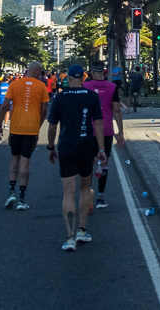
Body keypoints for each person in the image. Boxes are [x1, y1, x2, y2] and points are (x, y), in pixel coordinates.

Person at [47, 64, 106, 251]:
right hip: (86, 146)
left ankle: (70, 236)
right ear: (83, 77)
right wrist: (102, 148)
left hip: (66, 146)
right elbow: (98, 123)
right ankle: (82, 230)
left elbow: (52, 125)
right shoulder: (91, 96)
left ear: (68, 78)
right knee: (85, 188)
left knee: (68, 192)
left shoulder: (60, 97)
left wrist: (50, 146)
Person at [0, 62, 49, 210]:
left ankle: (11, 192)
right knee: (25, 162)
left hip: (15, 129)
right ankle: (21, 199)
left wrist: (0, 125)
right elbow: (44, 110)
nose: (40, 74)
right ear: (34, 71)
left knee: (15, 159)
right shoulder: (41, 87)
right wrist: (38, 125)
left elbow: (5, 105)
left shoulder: (15, 84)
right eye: (39, 72)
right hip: (31, 130)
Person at [83, 61, 125, 210]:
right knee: (104, 162)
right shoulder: (112, 87)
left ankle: (87, 198)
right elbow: (117, 110)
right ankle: (100, 197)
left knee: (87, 164)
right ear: (104, 72)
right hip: (106, 130)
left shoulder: (85, 86)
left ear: (91, 72)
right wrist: (120, 133)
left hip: (88, 130)